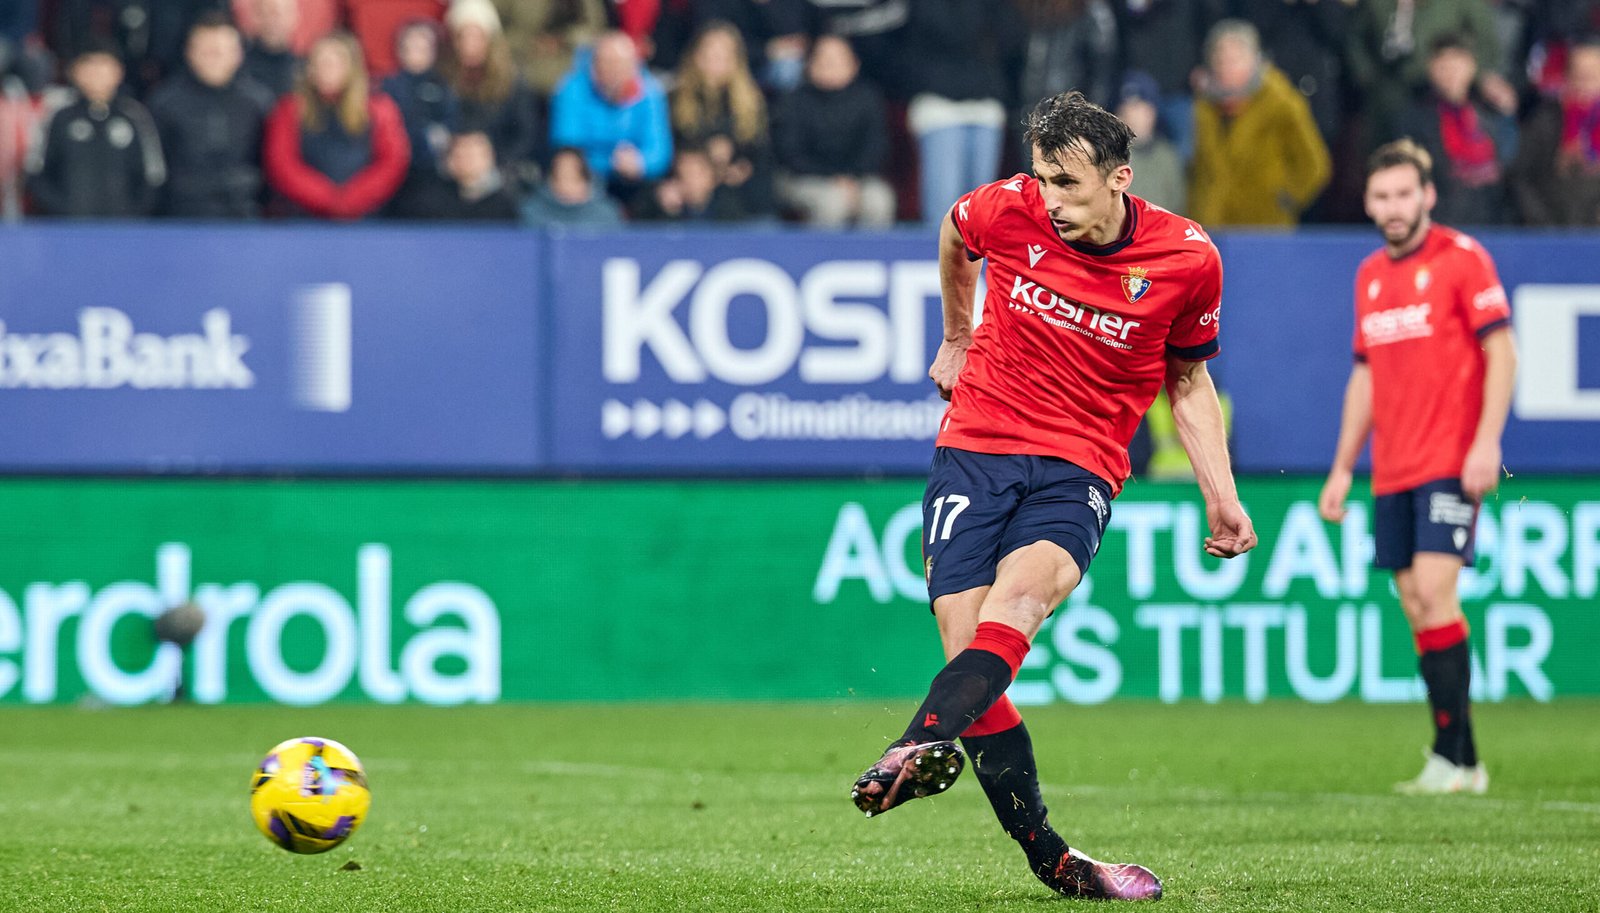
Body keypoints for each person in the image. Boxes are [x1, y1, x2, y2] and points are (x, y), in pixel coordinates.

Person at [848, 91, 1255, 900]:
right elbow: (954, 235)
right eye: (1043, 179)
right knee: (970, 658)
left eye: (1069, 183)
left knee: (1024, 601)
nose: (1052, 200)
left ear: (1120, 178)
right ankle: (1053, 859)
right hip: (976, 447)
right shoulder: (1010, 208)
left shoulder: (1188, 257)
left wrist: (1222, 492)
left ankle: (910, 745)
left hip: (1081, 464)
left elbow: (1189, 376)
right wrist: (957, 334)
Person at [1318, 138, 1515, 795]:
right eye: (1382, 196)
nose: (1393, 206)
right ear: (1370, 202)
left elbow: (1503, 353)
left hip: (1450, 459)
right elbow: (1365, 378)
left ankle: (1458, 759)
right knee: (1413, 601)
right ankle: (1456, 756)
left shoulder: (1463, 260)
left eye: (1405, 193)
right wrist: (1344, 466)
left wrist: (1486, 442)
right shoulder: (1370, 273)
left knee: (1434, 591)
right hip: (1393, 466)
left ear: (1428, 195)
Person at [1189, 19, 1331, 226]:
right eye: (1220, 59)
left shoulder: (1282, 102)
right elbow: (1197, 170)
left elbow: (1315, 164)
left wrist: (1286, 198)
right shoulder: (1204, 105)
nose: (1225, 67)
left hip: (1264, 226)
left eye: (1234, 60)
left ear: (1254, 60)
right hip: (1212, 228)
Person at [262, 32, 410, 220]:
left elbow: (392, 162)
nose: (326, 69)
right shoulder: (290, 109)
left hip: (365, 217)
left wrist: (351, 200)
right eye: (320, 62)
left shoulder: (380, 109)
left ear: (352, 68)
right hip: (302, 216)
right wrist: (327, 200)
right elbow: (282, 163)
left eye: (334, 62)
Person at [147, 13, 275, 218]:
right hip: (180, 217)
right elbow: (153, 170)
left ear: (238, 54)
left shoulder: (260, 102)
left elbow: (271, 167)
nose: (213, 59)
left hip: (246, 216)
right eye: (206, 51)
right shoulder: (164, 103)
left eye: (220, 51)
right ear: (189, 52)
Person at [27, 41, 165, 218]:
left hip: (124, 231)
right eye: (88, 65)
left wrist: (131, 216)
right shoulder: (57, 116)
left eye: (104, 65)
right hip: (67, 230)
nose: (96, 73)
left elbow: (153, 176)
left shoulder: (135, 115)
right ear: (74, 71)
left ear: (119, 71)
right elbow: (36, 173)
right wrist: (62, 211)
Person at [773, 33, 895, 228]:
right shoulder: (794, 100)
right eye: (823, 58)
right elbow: (790, 153)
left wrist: (852, 178)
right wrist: (832, 179)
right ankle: (823, 257)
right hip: (804, 177)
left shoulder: (868, 98)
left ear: (854, 64)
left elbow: (876, 146)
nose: (829, 64)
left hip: (857, 178)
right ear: (810, 64)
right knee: (832, 202)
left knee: (879, 199)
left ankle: (867, 257)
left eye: (838, 59)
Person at [1397, 34, 1517, 226]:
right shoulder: (1415, 119)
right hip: (1440, 225)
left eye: (1458, 64)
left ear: (1472, 66)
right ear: (1431, 69)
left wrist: (1508, 116)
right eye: (1443, 66)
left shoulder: (1492, 113)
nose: (1451, 72)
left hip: (1493, 224)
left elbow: (1510, 167)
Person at [548, 30, 670, 205]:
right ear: (593, 66)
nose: (613, 71)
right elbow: (567, 149)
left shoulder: (650, 93)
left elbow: (659, 150)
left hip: (637, 179)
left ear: (633, 67)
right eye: (606, 63)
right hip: (588, 178)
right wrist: (611, 163)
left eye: (620, 64)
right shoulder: (571, 91)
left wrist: (640, 163)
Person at [1509, 39, 1600, 226]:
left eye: (1592, 73)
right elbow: (1520, 176)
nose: (1585, 79)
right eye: (1579, 72)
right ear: (1568, 76)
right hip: (1549, 231)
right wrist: (1541, 222)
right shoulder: (1547, 119)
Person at [387, 129, 518, 220]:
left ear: (489, 157)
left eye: (472, 155)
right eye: (459, 155)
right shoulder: (426, 200)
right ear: (448, 159)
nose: (466, 161)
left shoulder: (503, 206)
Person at [519, 145, 622, 226]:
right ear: (550, 180)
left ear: (587, 179)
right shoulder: (532, 213)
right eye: (560, 176)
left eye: (574, 176)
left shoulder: (606, 214)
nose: (567, 184)